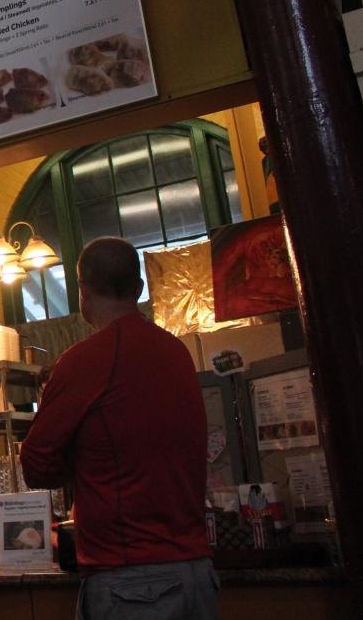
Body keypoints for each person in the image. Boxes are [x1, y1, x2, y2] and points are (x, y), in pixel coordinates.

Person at [20, 237, 216, 619]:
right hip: (197, 574)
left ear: (82, 291)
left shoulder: (84, 362)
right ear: (139, 288)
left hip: (134, 584)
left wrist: (81, 461)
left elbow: (36, 464)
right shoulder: (176, 352)